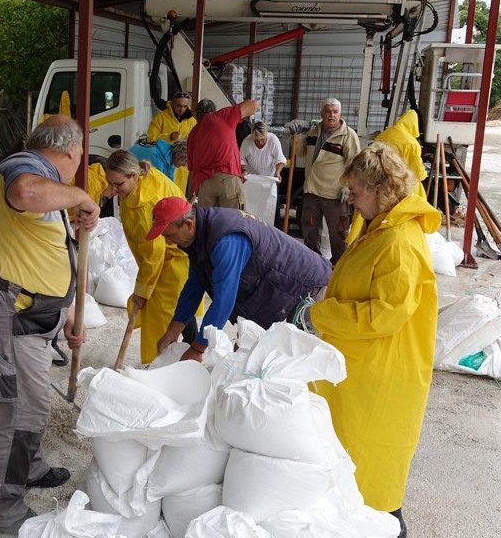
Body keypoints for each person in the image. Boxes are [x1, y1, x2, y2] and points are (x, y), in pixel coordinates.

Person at [0, 115, 99, 535]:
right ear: (71, 150)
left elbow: (41, 252)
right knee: (15, 414)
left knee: (30, 405)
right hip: (6, 318)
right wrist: (77, 195)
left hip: (27, 317)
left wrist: (66, 314)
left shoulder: (43, 182)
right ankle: (2, 510)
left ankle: (29, 467)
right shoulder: (22, 168)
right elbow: (24, 192)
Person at [296, 142, 439, 538]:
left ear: (381, 189)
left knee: (375, 483)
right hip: (363, 371)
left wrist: (318, 315)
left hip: (382, 379)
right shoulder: (381, 228)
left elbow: (381, 315)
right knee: (354, 471)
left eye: (356, 192)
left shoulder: (400, 244)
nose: (351, 200)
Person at [150, 197, 331, 362]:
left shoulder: (225, 240)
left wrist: (198, 349)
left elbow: (224, 300)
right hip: (276, 293)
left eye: (169, 235)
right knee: (246, 364)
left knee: (297, 363)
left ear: (188, 224)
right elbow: (194, 288)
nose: (168, 242)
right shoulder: (198, 239)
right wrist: (172, 333)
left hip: (307, 289)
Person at [103, 149, 189, 364]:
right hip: (163, 257)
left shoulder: (145, 208)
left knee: (158, 318)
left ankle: (158, 367)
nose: (112, 190)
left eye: (118, 185)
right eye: (110, 183)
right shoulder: (141, 181)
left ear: (133, 175)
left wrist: (141, 291)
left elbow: (155, 255)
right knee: (176, 311)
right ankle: (183, 355)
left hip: (171, 259)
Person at [287, 97, 361, 263]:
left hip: (334, 194)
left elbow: (355, 163)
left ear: (340, 114)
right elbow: (300, 152)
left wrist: (348, 187)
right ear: (322, 113)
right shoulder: (314, 132)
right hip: (312, 191)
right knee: (310, 230)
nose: (331, 115)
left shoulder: (348, 136)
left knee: (338, 234)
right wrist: (297, 133)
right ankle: (314, 264)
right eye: (328, 111)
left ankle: (339, 266)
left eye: (335, 112)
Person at [346, 109, 426, 244]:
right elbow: (417, 171)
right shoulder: (412, 143)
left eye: (353, 193)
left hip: (371, 180)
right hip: (399, 187)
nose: (349, 200)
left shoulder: (385, 134)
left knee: (362, 222)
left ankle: (354, 239)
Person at [186, 98, 260, 209]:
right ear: (214, 110)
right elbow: (253, 105)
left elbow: (191, 171)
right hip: (227, 180)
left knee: (209, 224)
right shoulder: (221, 116)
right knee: (231, 223)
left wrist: (189, 199)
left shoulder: (192, 134)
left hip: (204, 185)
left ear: (196, 116)